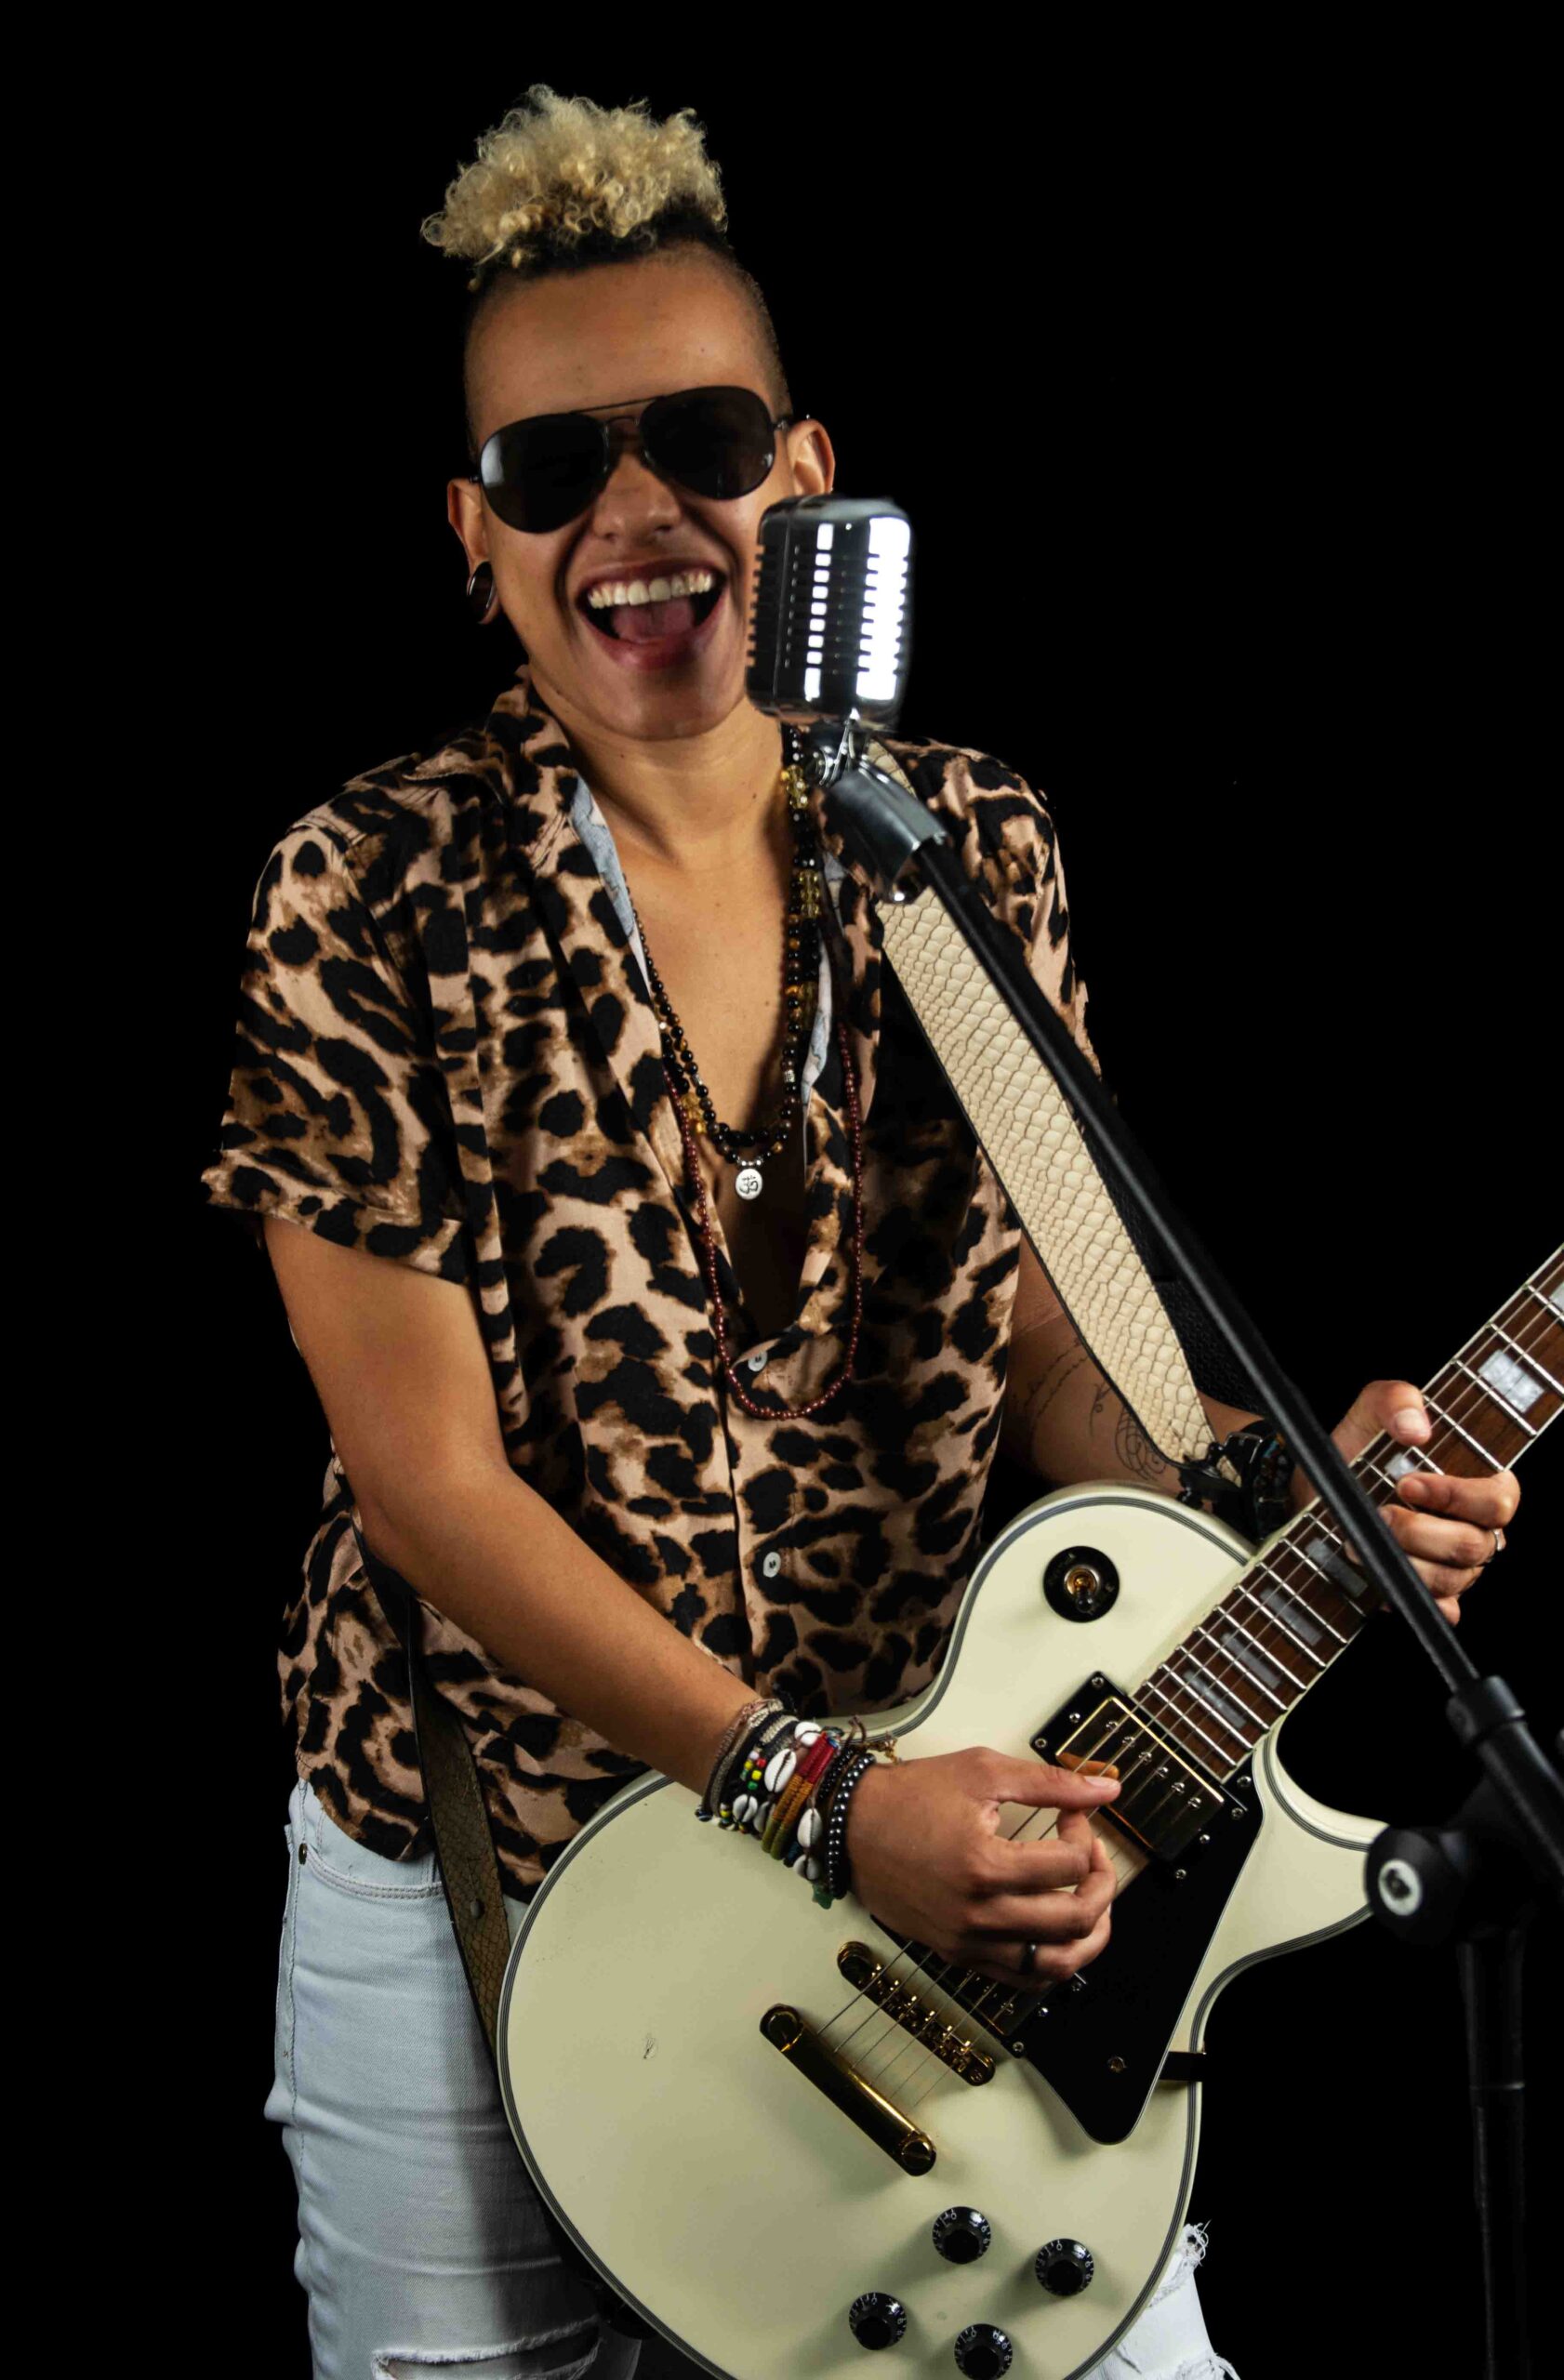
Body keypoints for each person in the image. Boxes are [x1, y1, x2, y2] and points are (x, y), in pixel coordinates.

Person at [198, 86, 1521, 2380]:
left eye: (699, 437)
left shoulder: (962, 846)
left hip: (938, 1793)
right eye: (551, 467)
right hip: (500, 1822)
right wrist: (816, 1796)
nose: (634, 512)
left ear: (804, 478)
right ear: (474, 538)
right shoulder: (366, 887)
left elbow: (1055, 1348)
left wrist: (1281, 1487)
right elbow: (426, 1488)